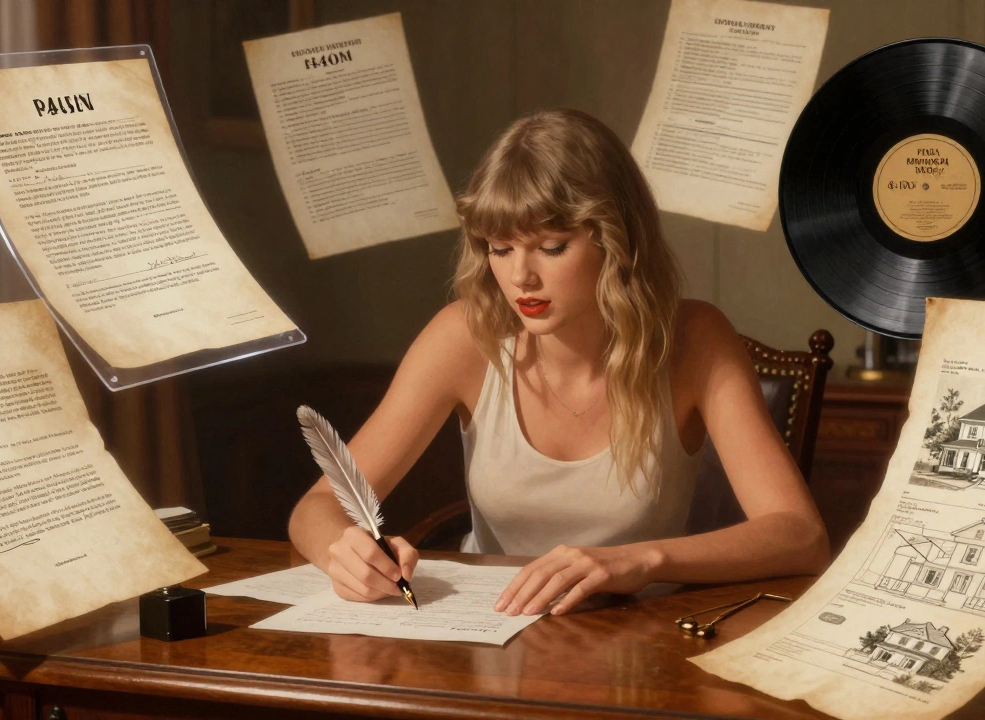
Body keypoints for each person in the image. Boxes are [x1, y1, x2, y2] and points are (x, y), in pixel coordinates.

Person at [288, 108, 829, 616]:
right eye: (500, 249)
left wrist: (639, 561)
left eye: (551, 247)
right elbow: (314, 509)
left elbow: (801, 535)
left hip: (644, 638)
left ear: (616, 242)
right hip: (491, 631)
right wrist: (350, 553)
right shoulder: (464, 336)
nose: (521, 277)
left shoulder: (694, 340)